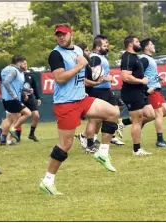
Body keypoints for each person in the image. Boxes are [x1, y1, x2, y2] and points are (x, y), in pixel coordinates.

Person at [39, 24, 120, 195]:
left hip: (81, 99)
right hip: (66, 104)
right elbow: (60, 79)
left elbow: (81, 79)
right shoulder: (55, 54)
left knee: (113, 112)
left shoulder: (77, 50)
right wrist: (80, 65)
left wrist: (97, 80)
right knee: (65, 144)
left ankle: (103, 153)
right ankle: (47, 180)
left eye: (64, 34)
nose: (61, 37)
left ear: (71, 34)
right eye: (58, 35)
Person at [77, 36, 125, 153]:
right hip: (97, 90)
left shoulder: (100, 57)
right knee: (95, 119)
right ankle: (89, 143)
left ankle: (105, 134)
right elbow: (92, 76)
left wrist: (107, 78)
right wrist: (106, 78)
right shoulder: (94, 58)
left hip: (105, 90)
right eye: (104, 46)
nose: (107, 47)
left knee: (116, 109)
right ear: (98, 47)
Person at [119, 36, 156, 156]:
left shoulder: (136, 57)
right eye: (136, 42)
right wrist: (141, 82)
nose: (139, 43)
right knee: (137, 120)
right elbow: (125, 77)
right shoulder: (127, 57)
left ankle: (122, 123)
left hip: (140, 92)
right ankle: (137, 149)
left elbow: (139, 75)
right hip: (131, 93)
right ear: (130, 44)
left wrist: (145, 87)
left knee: (151, 114)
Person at [138, 38, 166, 148]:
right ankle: (160, 140)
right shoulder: (144, 59)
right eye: (151, 44)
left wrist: (158, 78)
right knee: (159, 114)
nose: (153, 46)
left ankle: (142, 121)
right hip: (151, 90)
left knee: (165, 111)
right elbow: (139, 74)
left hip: (157, 89)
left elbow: (150, 74)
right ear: (146, 47)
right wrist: (146, 88)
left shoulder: (150, 59)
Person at [0, 56, 32, 145]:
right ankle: (12, 132)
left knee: (9, 118)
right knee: (27, 113)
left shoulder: (4, 70)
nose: (26, 65)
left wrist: (1, 94)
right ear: (18, 62)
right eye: (24, 63)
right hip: (12, 98)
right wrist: (13, 94)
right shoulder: (15, 71)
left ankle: (1, 137)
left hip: (6, 98)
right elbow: (6, 82)